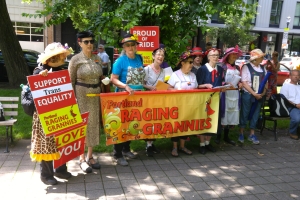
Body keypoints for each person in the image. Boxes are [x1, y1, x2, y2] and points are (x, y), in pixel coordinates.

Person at [30, 42, 73, 185]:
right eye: (60, 56)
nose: (63, 58)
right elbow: (35, 88)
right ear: (52, 58)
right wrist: (41, 77)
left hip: (61, 112)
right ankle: (46, 175)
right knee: (47, 144)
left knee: (61, 142)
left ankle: (60, 169)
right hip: (45, 116)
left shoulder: (62, 70)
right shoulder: (39, 70)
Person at [68, 31, 102, 173]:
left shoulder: (97, 58)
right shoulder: (75, 60)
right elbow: (70, 81)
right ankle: (81, 159)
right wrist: (72, 99)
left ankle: (90, 156)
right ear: (80, 43)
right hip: (81, 95)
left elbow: (101, 75)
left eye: (91, 41)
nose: (90, 44)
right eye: (86, 42)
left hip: (95, 95)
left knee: (93, 124)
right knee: (82, 125)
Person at [110, 33, 145, 166]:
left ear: (136, 46)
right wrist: (125, 86)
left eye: (132, 44)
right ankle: (117, 154)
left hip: (136, 97)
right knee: (121, 124)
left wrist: (147, 86)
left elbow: (140, 77)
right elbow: (113, 78)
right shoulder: (120, 61)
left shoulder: (139, 58)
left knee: (131, 123)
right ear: (124, 47)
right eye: (127, 45)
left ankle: (126, 149)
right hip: (123, 96)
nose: (130, 47)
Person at [168, 51, 198, 157]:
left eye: (192, 62)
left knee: (186, 126)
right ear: (182, 63)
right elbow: (168, 88)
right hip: (177, 105)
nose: (191, 65)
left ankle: (183, 146)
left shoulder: (193, 75)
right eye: (189, 62)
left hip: (189, 105)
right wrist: (177, 92)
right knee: (177, 126)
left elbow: (196, 88)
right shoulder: (175, 75)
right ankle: (175, 147)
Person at [239, 49, 268, 145]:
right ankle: (241, 132)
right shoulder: (246, 67)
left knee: (256, 114)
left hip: (259, 95)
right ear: (256, 59)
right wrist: (254, 94)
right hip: (248, 94)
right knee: (245, 112)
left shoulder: (263, 68)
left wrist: (262, 93)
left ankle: (252, 133)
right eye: (261, 57)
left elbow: (266, 83)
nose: (263, 59)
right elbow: (244, 83)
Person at [216, 45, 243, 145]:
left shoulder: (237, 67)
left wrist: (240, 84)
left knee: (231, 113)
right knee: (223, 113)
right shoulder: (222, 67)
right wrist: (225, 84)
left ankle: (226, 136)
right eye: (233, 55)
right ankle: (218, 136)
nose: (235, 56)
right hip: (225, 93)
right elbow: (219, 81)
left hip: (234, 93)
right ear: (228, 56)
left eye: (236, 55)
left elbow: (240, 80)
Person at [196, 48, 221, 154]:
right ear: (208, 57)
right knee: (203, 120)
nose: (215, 57)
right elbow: (197, 85)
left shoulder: (220, 69)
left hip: (216, 99)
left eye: (217, 55)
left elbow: (221, 82)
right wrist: (205, 85)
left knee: (213, 120)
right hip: (204, 99)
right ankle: (201, 144)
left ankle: (208, 142)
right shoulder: (202, 69)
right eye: (213, 55)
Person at [142, 47, 166, 156]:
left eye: (162, 55)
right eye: (158, 54)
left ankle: (152, 143)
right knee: (149, 121)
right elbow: (141, 83)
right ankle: (148, 146)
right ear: (153, 56)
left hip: (159, 99)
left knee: (157, 121)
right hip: (149, 99)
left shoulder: (163, 71)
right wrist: (150, 87)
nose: (160, 57)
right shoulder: (146, 69)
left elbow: (164, 85)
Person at [280, 70, 300, 140]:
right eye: (294, 75)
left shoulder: (299, 87)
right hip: (291, 107)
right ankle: (292, 132)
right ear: (290, 76)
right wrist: (295, 105)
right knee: (296, 119)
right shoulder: (286, 86)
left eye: (298, 75)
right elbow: (284, 99)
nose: (296, 77)